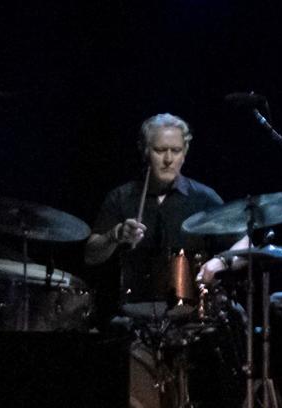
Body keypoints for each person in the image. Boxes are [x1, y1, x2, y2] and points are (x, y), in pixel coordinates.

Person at [85, 113, 249, 318]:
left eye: (176, 151)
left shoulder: (203, 198)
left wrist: (221, 262)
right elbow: (91, 256)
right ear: (145, 152)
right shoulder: (121, 197)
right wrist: (114, 235)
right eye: (160, 150)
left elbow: (245, 244)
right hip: (132, 318)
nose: (169, 159)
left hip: (193, 318)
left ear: (185, 153)